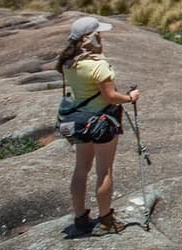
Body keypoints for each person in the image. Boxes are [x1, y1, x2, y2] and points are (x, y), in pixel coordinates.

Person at [56, 16, 141, 234]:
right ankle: (106, 219)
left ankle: (80, 217)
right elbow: (111, 97)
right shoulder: (98, 66)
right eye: (98, 34)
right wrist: (131, 97)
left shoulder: (67, 63)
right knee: (104, 171)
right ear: (92, 37)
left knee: (81, 168)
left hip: (80, 121)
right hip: (103, 123)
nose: (101, 37)